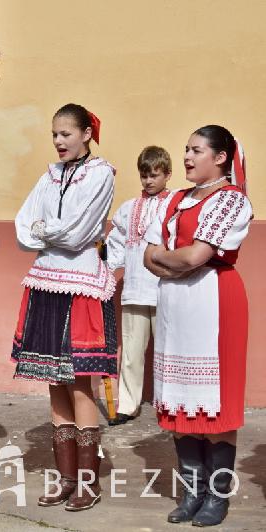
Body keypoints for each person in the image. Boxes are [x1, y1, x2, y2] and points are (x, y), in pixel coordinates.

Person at [143, 125, 251, 527]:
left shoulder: (231, 201)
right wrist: (174, 260)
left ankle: (217, 497)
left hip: (215, 303)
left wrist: (170, 260)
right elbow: (148, 255)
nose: (187, 157)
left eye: (196, 150)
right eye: (185, 149)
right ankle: (192, 493)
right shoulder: (173, 200)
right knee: (178, 397)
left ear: (220, 157)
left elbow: (196, 257)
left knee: (214, 404)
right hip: (176, 306)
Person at [13, 104, 117, 511]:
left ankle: (88, 482)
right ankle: (66, 479)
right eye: (54, 134)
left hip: (82, 284)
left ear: (86, 134)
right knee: (53, 379)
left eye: (66, 134)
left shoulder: (102, 173)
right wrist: (44, 231)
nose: (58, 141)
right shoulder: (49, 175)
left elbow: (77, 234)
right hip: (45, 281)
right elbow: (24, 225)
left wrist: (46, 230)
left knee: (79, 379)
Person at [106, 146, 173, 426]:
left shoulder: (177, 205)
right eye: (144, 175)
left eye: (154, 175)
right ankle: (129, 405)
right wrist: (104, 270)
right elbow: (115, 244)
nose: (148, 181)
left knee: (167, 352)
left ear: (167, 175)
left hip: (165, 289)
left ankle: (170, 404)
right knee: (132, 352)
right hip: (134, 289)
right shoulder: (128, 208)